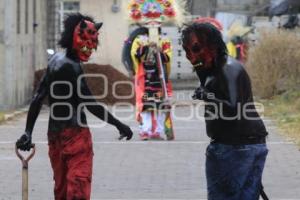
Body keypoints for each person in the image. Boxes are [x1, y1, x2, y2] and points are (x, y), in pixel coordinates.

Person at [16, 13, 133, 200]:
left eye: (92, 42)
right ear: (75, 36)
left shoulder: (54, 61)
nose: (90, 47)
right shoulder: (73, 67)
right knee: (78, 189)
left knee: (61, 190)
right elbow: (91, 104)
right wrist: (120, 125)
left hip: (54, 137)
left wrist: (28, 131)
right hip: (76, 136)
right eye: (86, 41)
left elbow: (38, 98)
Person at [181, 20, 269, 199]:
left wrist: (208, 96)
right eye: (187, 51)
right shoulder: (218, 67)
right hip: (245, 145)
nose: (191, 57)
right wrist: (202, 78)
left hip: (235, 147)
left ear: (212, 45)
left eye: (196, 49)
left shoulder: (226, 69)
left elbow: (233, 108)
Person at [130, 27, 172, 140]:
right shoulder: (141, 40)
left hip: (159, 82)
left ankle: (158, 131)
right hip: (146, 83)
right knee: (146, 108)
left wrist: (159, 51)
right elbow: (136, 54)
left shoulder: (164, 40)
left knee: (160, 108)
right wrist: (147, 46)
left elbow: (168, 57)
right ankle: (145, 131)